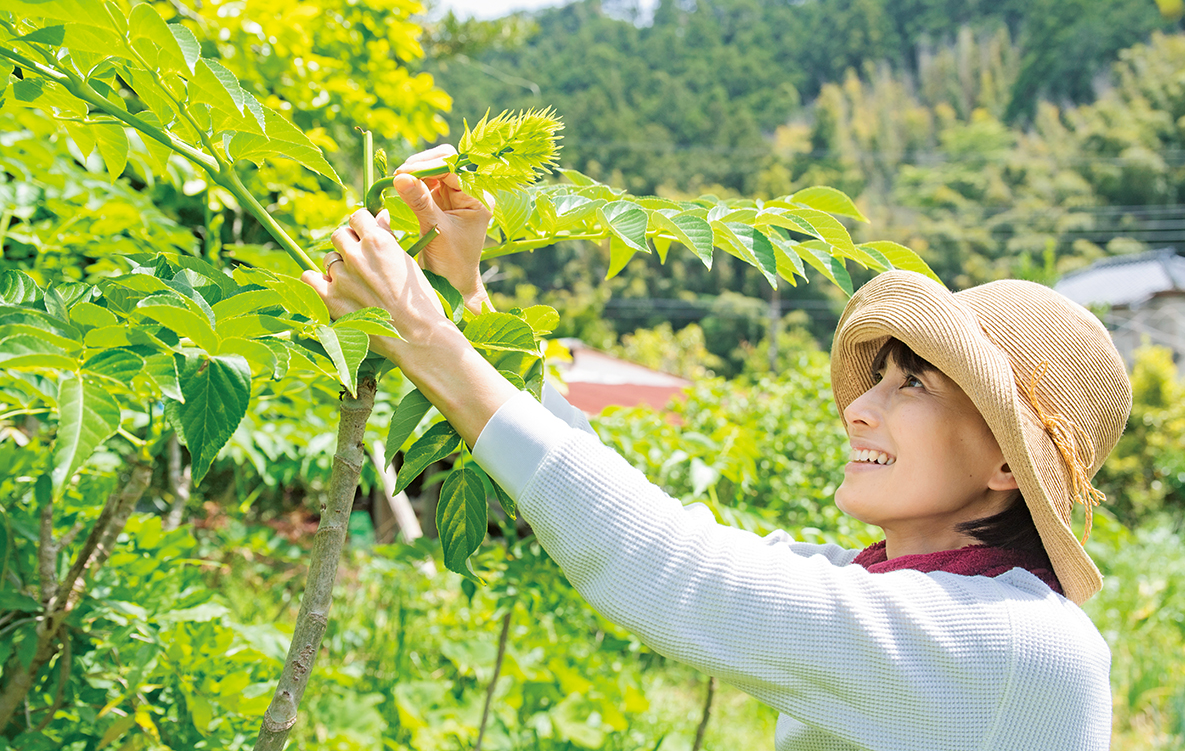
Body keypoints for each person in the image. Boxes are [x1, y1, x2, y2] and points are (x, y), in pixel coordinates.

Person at [302, 149, 1132, 751]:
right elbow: (656, 520)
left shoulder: (1016, 645)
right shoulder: (904, 593)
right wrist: (468, 306)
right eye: (878, 376)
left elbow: (680, 569)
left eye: (914, 385)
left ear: (1005, 467)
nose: (861, 411)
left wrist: (431, 341)